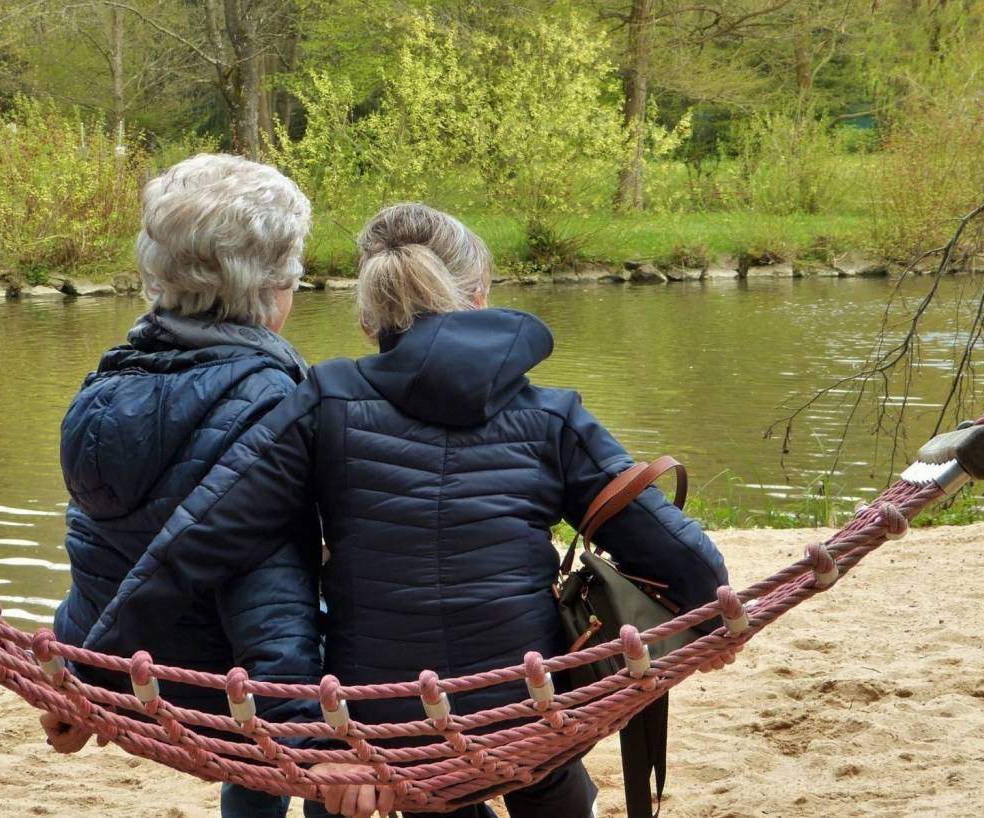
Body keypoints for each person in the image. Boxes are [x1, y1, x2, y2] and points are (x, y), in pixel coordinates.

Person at [85, 203, 729, 818]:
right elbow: (682, 559)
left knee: (390, 776)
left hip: (378, 726)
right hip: (525, 713)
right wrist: (712, 615)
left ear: (370, 321)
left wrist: (91, 672)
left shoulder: (323, 399)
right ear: (480, 298)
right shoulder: (553, 415)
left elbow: (198, 541)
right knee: (538, 754)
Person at [45, 153, 323, 818]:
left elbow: (100, 549)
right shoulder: (274, 404)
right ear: (272, 286)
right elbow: (272, 609)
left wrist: (80, 674)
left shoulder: (104, 387)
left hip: (122, 672)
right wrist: (313, 750)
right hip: (223, 690)